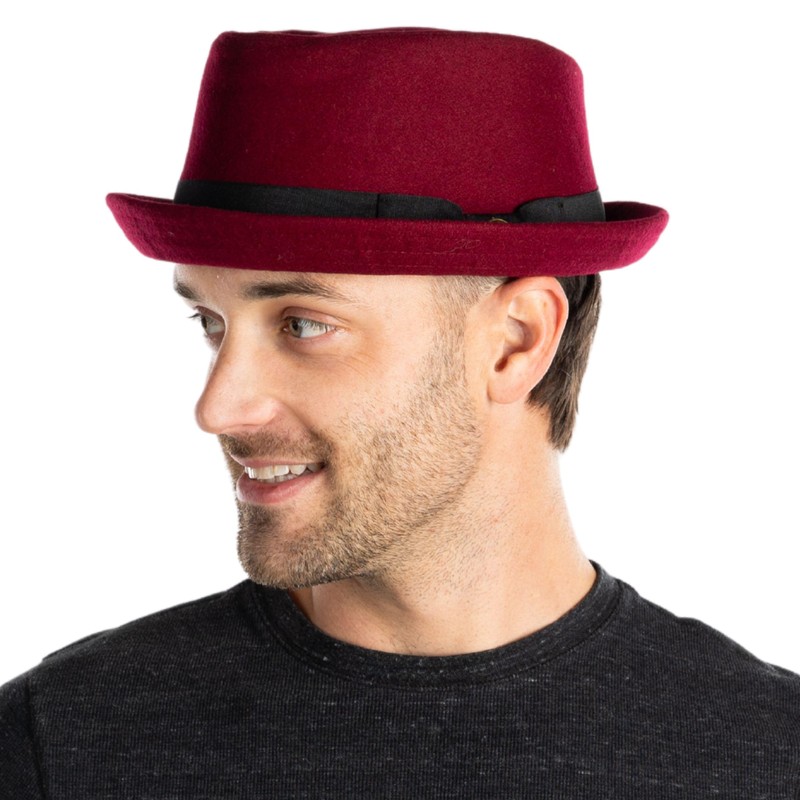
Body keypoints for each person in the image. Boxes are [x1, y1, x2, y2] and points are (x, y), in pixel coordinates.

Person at [1, 27, 797, 798]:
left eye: (303, 325)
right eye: (210, 322)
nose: (219, 407)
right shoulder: (61, 745)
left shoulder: (767, 757)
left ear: (515, 343)